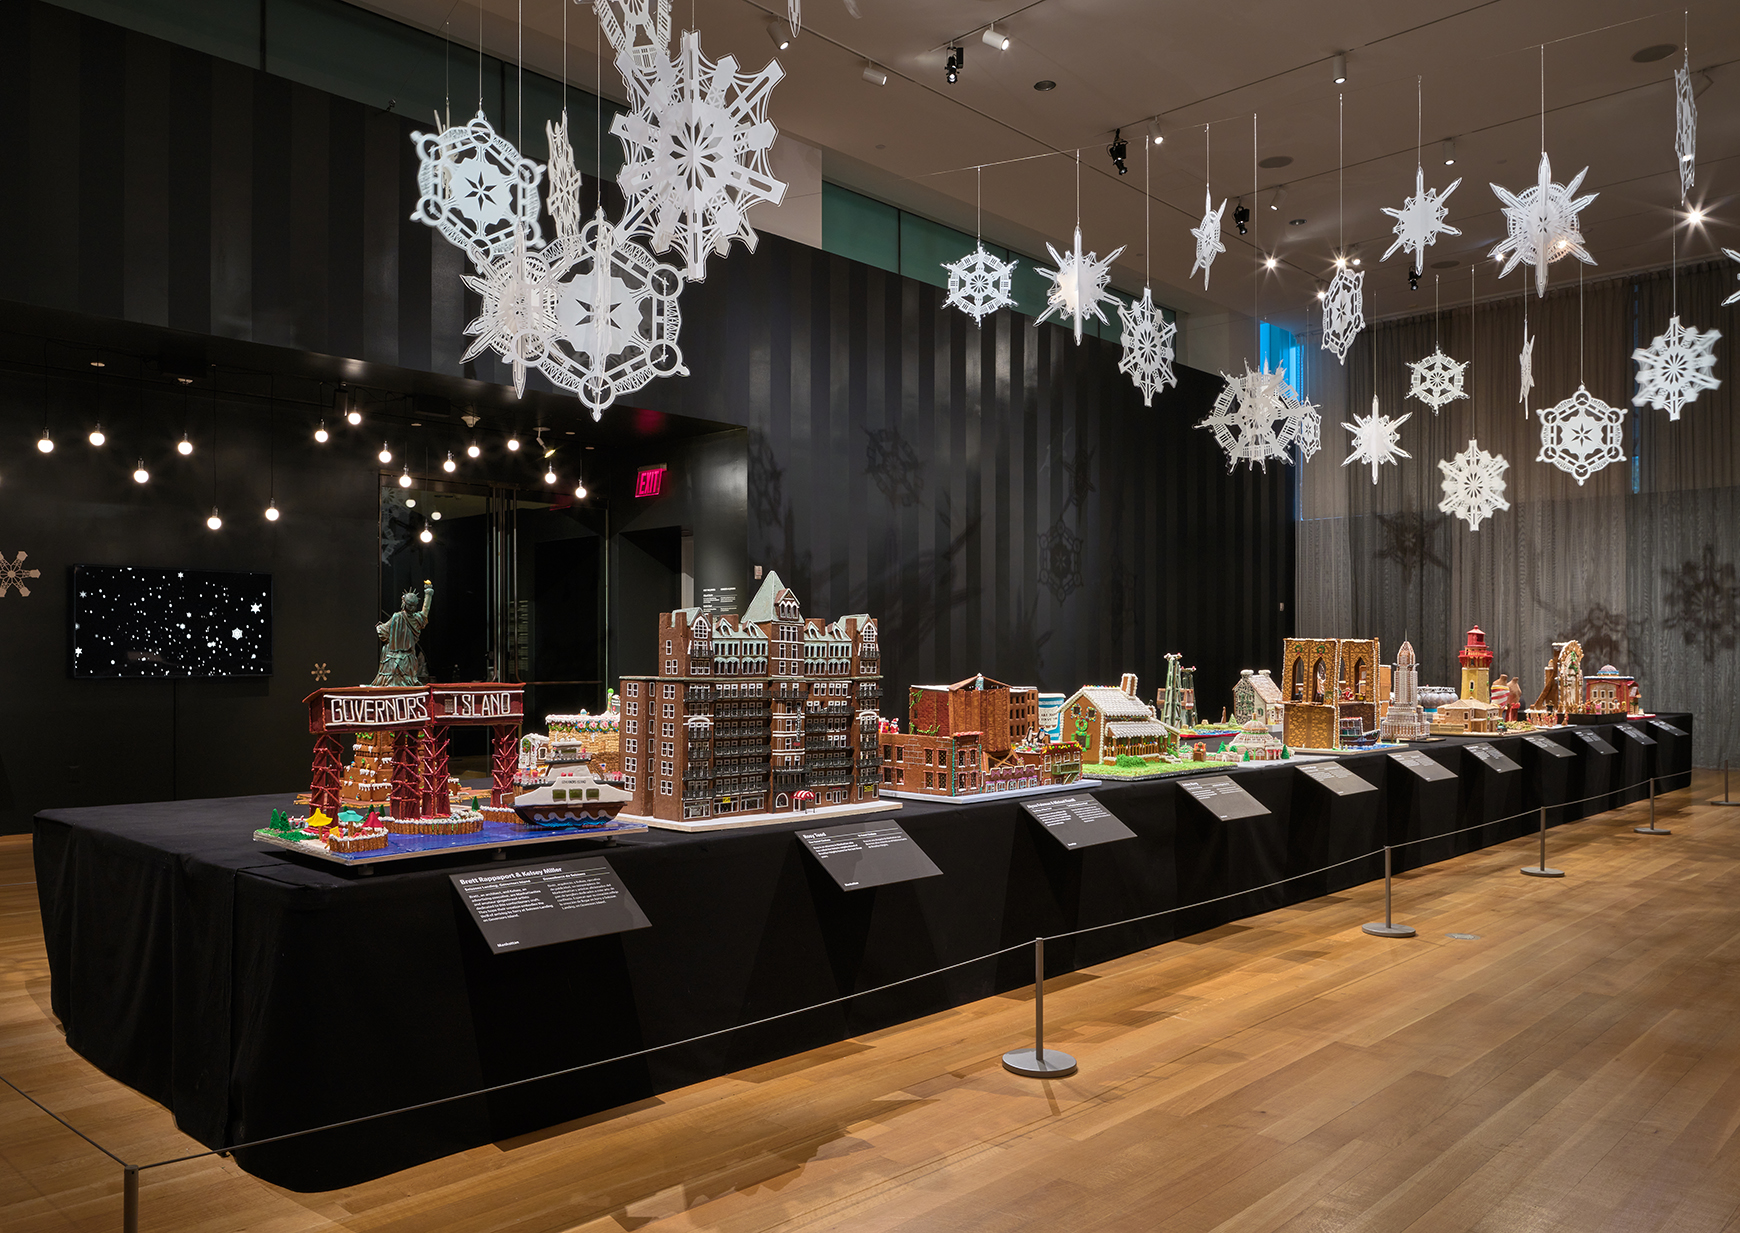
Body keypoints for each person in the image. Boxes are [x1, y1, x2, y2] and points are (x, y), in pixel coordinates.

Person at [373, 581, 433, 686]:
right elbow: (425, 611)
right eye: (410, 605)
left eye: (413, 606)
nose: (411, 608)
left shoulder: (405, 617)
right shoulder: (412, 618)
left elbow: (384, 632)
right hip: (403, 659)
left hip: (397, 659)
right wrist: (428, 594)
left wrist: (379, 627)